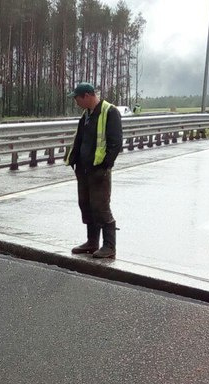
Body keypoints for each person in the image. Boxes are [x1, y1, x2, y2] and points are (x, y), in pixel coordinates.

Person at [66, 82, 122, 259]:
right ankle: (92, 242)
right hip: (83, 169)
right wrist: (74, 160)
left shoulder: (109, 112)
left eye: (77, 98)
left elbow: (116, 143)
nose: (76, 102)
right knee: (86, 205)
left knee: (101, 207)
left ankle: (109, 246)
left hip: (98, 170)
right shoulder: (87, 115)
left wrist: (106, 165)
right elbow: (80, 140)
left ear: (87, 96)